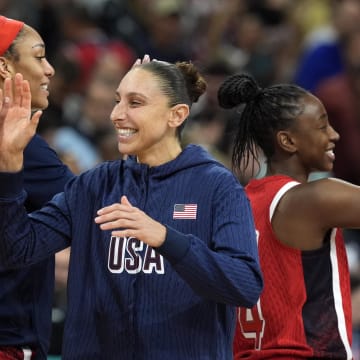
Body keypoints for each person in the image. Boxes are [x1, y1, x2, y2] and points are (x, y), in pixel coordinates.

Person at [0, 60, 263, 359]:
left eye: (135, 103)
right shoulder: (93, 186)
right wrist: (9, 164)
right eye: (117, 101)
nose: (116, 115)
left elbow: (245, 285)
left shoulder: (217, 186)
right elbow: (18, 249)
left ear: (176, 115)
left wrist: (166, 238)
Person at [217, 73, 354, 359]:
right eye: (322, 126)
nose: (333, 134)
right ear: (288, 141)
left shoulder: (240, 203)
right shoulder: (312, 200)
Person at [0, 15, 74, 359]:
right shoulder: (22, 145)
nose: (50, 70)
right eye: (39, 56)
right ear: (4, 66)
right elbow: (94, 206)